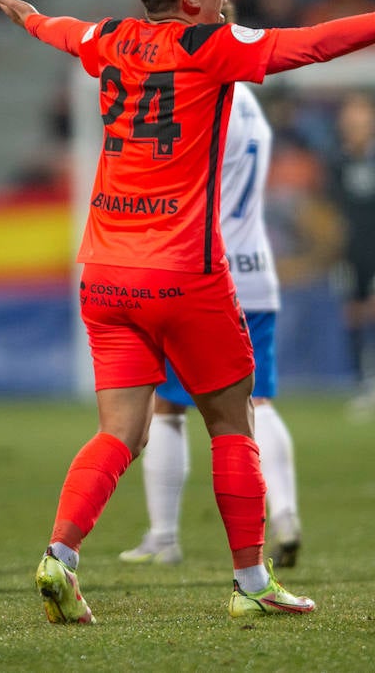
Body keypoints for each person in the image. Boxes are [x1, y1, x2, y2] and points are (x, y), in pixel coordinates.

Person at [0, 0, 375, 622]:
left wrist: (29, 17)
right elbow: (315, 43)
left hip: (104, 273)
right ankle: (253, 583)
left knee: (119, 433)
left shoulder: (109, 39)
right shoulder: (214, 46)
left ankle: (60, 556)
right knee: (231, 421)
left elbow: (65, 32)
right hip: (184, 273)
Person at [117, 81, 304, 569]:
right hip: (256, 270)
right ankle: (284, 512)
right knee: (256, 399)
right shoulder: (254, 109)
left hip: (203, 269)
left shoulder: (200, 99)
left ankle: (164, 535)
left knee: (166, 407)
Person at [327, 93, 375, 409]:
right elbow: (332, 208)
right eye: (352, 121)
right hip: (349, 251)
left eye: (362, 121)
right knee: (354, 315)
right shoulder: (336, 160)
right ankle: (361, 382)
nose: (356, 127)